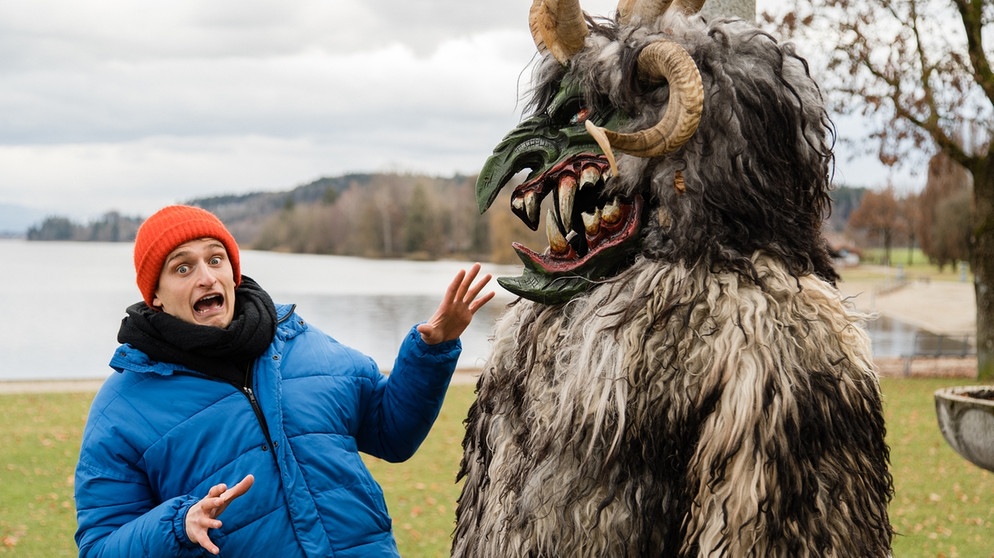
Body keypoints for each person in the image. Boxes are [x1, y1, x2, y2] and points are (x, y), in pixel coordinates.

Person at [73, 204, 495, 557]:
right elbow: (99, 546)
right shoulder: (123, 409)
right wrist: (178, 525)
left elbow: (391, 434)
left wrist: (430, 350)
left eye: (215, 259)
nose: (206, 277)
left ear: (233, 273)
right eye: (182, 268)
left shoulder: (302, 342)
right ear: (156, 295)